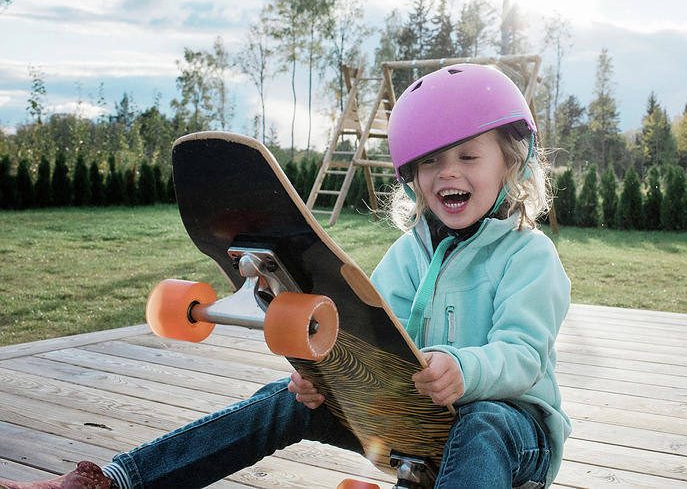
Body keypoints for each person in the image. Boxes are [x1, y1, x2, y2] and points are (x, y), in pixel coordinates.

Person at [2, 63, 571, 489]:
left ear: (512, 161)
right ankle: (118, 480)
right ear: (410, 176)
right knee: (286, 400)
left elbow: (523, 356)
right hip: (416, 425)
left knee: (486, 421)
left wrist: (463, 371)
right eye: (429, 161)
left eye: (468, 156)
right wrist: (325, 374)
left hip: (516, 436)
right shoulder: (406, 256)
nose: (447, 172)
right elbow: (370, 340)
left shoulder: (529, 255)